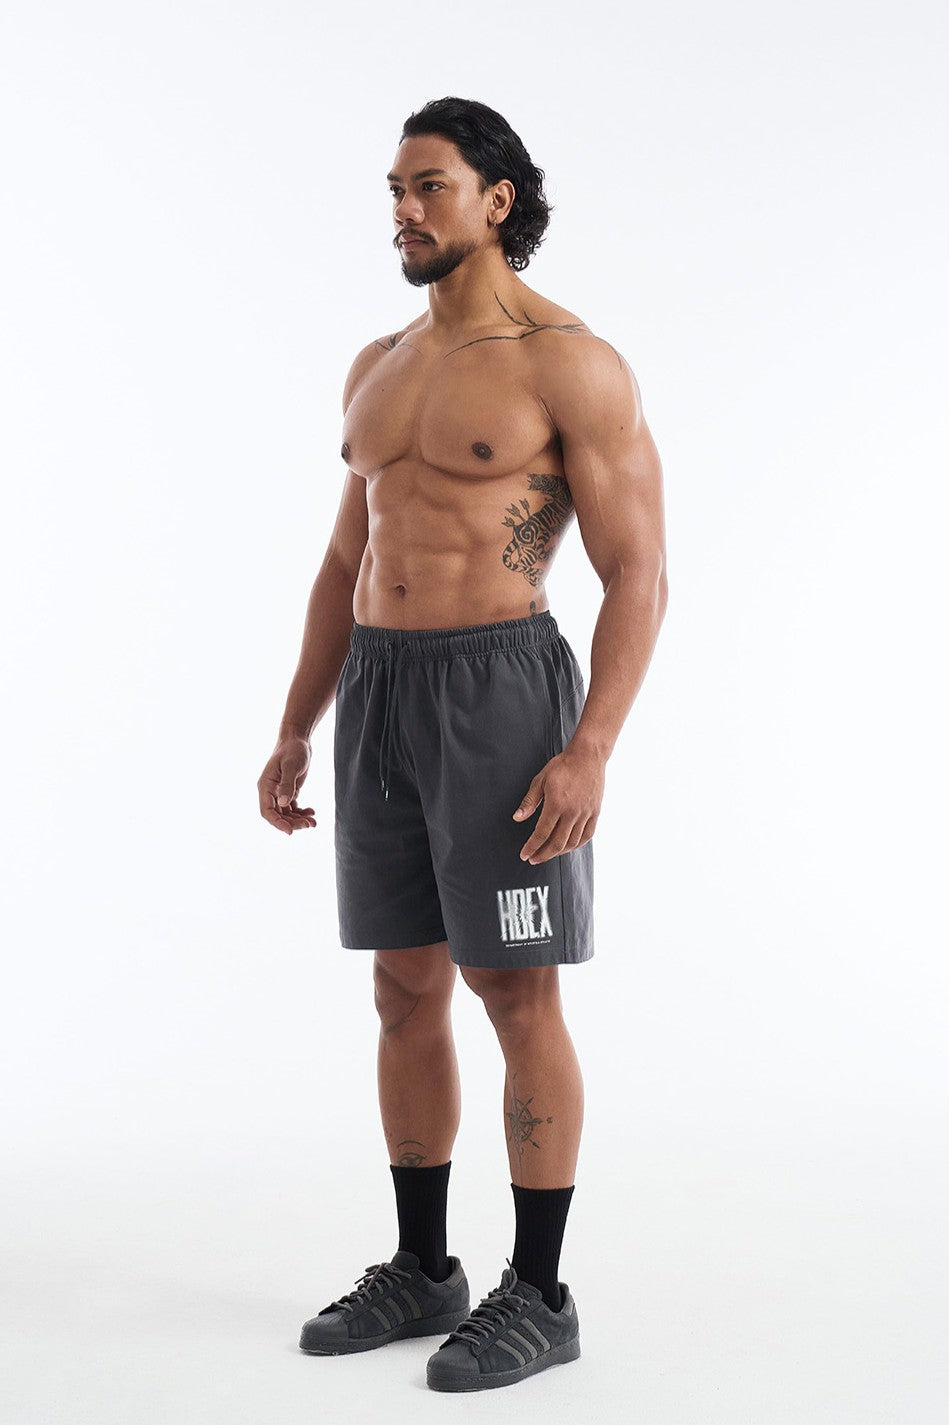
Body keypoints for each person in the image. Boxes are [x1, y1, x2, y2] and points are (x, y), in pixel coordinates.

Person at [257, 95, 668, 1393]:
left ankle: (538, 1291)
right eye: (394, 188)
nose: (403, 209)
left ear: (498, 200)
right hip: (379, 691)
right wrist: (295, 722)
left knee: (513, 988)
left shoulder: (570, 363)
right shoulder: (377, 363)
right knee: (403, 984)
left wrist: (590, 748)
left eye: (427, 185)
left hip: (500, 690)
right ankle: (423, 1265)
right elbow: (344, 561)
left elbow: (639, 570)